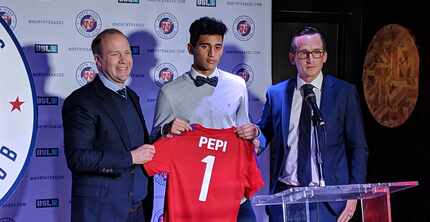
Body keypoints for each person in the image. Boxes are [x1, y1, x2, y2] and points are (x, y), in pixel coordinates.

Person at [151, 17, 259, 222]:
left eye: (218, 47)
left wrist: (254, 133)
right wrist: (166, 130)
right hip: (193, 198)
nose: (212, 54)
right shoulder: (170, 91)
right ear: (190, 48)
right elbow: (154, 142)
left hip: (234, 194)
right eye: (204, 46)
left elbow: (246, 130)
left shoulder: (237, 85)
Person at [257, 26, 368, 222]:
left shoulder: (344, 93)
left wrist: (353, 194)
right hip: (285, 197)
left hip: (329, 201)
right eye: (303, 53)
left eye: (316, 52)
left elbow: (358, 147)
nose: (310, 59)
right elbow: (265, 132)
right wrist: (255, 140)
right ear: (292, 57)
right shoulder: (276, 94)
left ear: (324, 56)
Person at [62, 28, 155, 222]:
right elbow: (78, 159)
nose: (123, 60)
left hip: (137, 210)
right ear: (98, 61)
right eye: (115, 54)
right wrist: (130, 158)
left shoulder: (131, 96)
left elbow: (136, 145)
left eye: (127, 53)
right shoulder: (82, 101)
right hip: (102, 212)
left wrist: (165, 131)